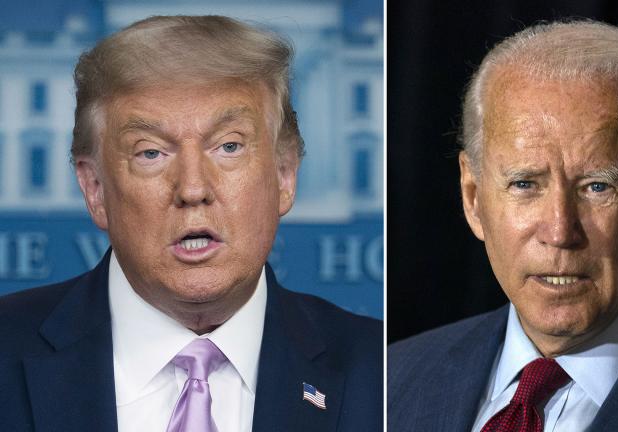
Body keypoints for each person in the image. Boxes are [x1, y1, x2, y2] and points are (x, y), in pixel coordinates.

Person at [0, 15, 382, 432]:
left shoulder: (381, 370)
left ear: (285, 175)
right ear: (95, 189)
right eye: (151, 153)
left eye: (229, 146)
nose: (193, 188)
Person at [388, 20, 618, 431]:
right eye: (524, 184)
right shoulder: (394, 382)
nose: (559, 231)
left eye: (597, 186)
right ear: (473, 197)